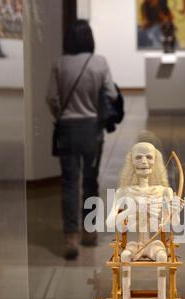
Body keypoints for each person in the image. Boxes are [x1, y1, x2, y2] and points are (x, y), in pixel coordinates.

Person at [47, 20, 117, 260]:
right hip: (92, 130)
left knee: (69, 182)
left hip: (67, 128)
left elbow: (51, 98)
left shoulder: (60, 63)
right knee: (90, 181)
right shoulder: (99, 63)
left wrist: (62, 115)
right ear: (89, 38)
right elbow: (112, 93)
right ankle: (89, 231)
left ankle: (71, 236)